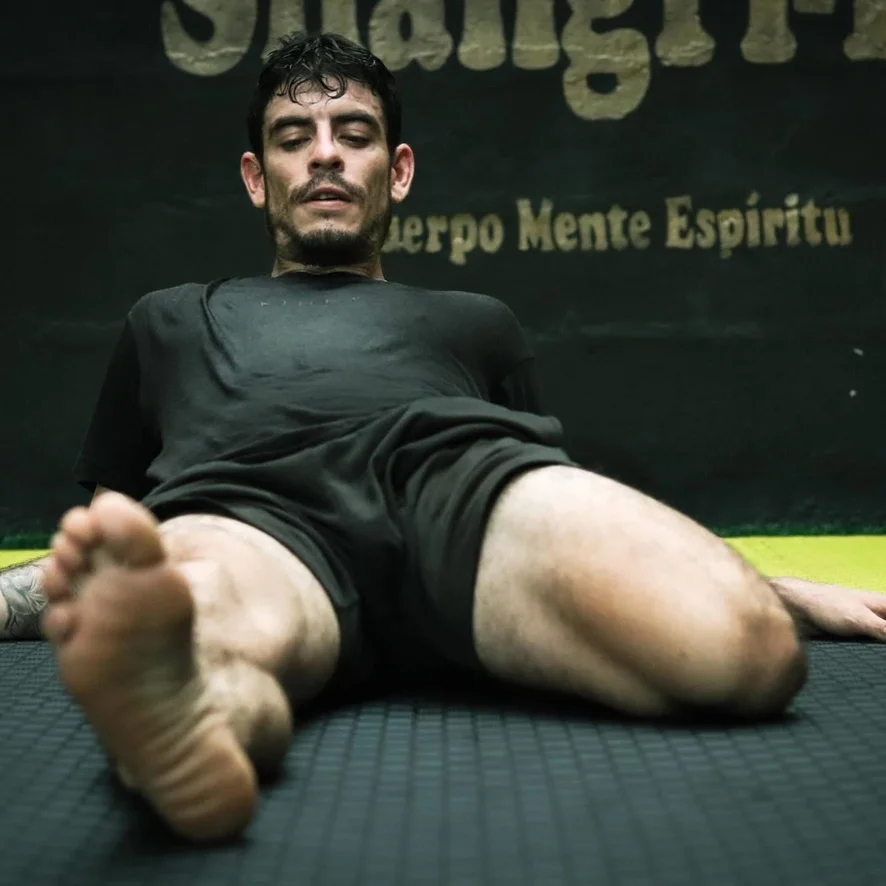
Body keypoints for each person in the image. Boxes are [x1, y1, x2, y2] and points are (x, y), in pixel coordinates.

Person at [2, 31, 886, 845]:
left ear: (398, 171)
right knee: (197, 632)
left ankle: (188, 702)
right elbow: (106, 557)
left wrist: (784, 597)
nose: (324, 153)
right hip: (253, 514)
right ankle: (184, 723)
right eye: (293, 137)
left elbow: (568, 537)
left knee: (750, 652)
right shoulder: (168, 319)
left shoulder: (478, 322)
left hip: (457, 489)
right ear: (255, 176)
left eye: (354, 133)